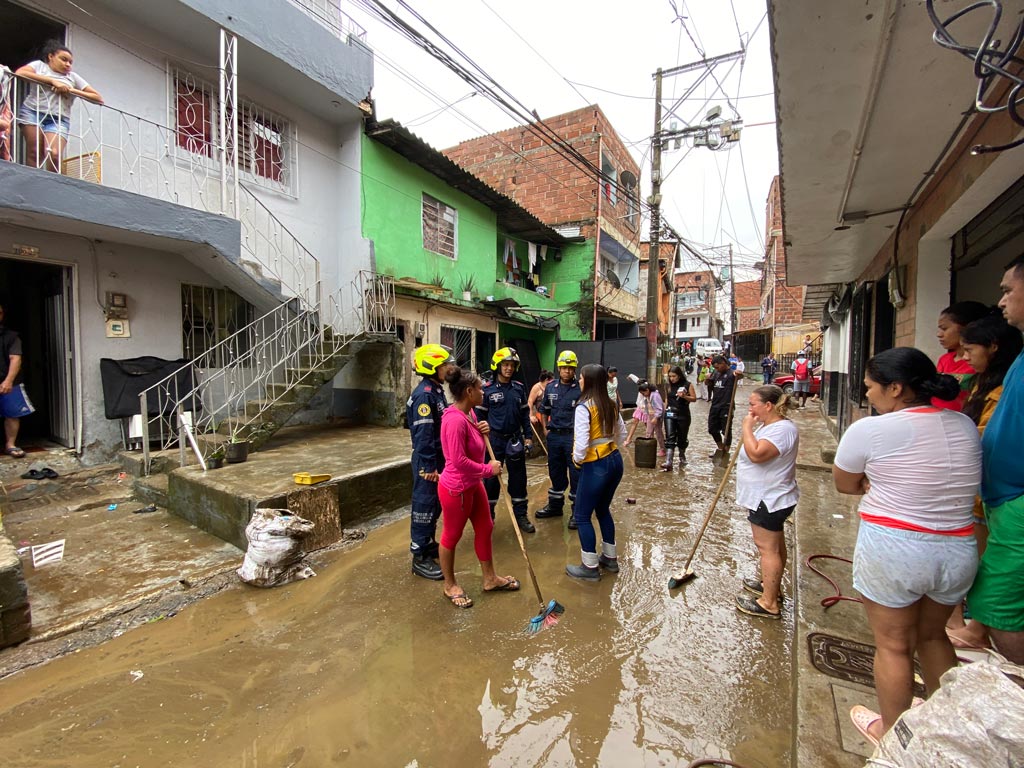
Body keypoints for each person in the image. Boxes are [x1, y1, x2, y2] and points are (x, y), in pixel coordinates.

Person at [833, 347, 981, 745]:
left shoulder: (870, 430)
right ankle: (946, 727)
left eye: (870, 387)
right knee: (934, 637)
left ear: (896, 388)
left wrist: (874, 481)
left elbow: (845, 483)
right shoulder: (963, 425)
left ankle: (892, 733)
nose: (867, 395)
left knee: (894, 646)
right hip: (956, 549)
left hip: (895, 549)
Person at [946, 309, 1023, 649]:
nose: (963, 358)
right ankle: (970, 623)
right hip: (987, 490)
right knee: (978, 561)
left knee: (987, 568)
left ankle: (977, 628)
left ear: (992, 347)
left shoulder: (1006, 383)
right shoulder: (984, 382)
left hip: (1002, 495)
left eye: (969, 350)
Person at [965, 254, 1024, 665]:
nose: (1001, 302)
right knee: (993, 599)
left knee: (999, 604)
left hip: (1017, 502)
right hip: (1001, 499)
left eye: (1007, 290)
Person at [437, 366, 519, 608]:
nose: (484, 392)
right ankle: (449, 584)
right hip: (457, 489)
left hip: (474, 485)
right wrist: (488, 470)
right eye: (480, 389)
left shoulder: (470, 415)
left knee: (485, 526)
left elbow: (473, 443)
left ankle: (490, 578)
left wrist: (482, 428)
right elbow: (458, 461)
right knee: (451, 536)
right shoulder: (454, 421)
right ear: (469, 391)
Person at [734, 385, 799, 619]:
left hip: (769, 498)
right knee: (774, 546)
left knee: (767, 549)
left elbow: (757, 454)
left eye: (753, 404)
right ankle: (771, 586)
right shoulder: (771, 426)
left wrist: (746, 428)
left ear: (768, 405)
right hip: (767, 496)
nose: (749, 409)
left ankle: (769, 603)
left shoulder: (782, 430)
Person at [566, 364, 627, 580]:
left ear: (589, 381)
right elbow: (622, 434)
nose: (579, 381)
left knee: (582, 515)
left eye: (581, 378)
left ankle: (589, 566)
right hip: (615, 461)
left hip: (596, 465)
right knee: (602, 509)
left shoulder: (584, 407)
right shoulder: (611, 404)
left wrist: (576, 460)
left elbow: (581, 445)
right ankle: (610, 559)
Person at [405, 344, 458, 580]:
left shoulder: (435, 390)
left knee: (435, 505)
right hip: (428, 459)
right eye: (445, 365)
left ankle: (428, 544)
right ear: (433, 367)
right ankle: (419, 557)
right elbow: (423, 434)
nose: (449, 368)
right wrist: (428, 467)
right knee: (424, 506)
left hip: (438, 458)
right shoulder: (425, 394)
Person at [16, 41, 103, 172]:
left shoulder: (72, 77)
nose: (68, 64)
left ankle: (53, 185)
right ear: (50, 57)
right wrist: (52, 81)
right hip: (33, 112)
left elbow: (98, 98)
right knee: (34, 152)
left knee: (54, 154)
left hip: (59, 119)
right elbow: (20, 73)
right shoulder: (39, 66)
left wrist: (71, 90)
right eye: (64, 59)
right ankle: (32, 183)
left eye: (70, 62)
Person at [476, 347, 534, 533]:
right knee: (491, 481)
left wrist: (528, 438)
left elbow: (525, 416)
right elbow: (479, 418)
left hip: (515, 440)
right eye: (505, 365)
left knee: (518, 479)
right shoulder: (486, 390)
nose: (509, 368)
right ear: (498, 366)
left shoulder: (519, 388)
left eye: (512, 365)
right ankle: (488, 516)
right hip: (494, 442)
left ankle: (521, 516)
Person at [536, 351, 581, 528]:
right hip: (554, 436)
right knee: (555, 472)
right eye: (564, 368)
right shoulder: (550, 387)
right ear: (559, 368)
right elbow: (544, 410)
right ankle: (555, 506)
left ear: (574, 369)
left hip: (572, 437)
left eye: (570, 368)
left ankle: (577, 512)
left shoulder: (581, 388)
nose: (567, 371)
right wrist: (546, 431)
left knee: (576, 473)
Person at [933, 300, 989, 411]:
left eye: (944, 329)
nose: (939, 334)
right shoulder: (944, 359)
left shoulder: (980, 361)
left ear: (966, 328)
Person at [1, 303, 34, 458]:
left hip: (9, 381)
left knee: (12, 414)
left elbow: (15, 358)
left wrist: (8, 380)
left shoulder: (11, 336)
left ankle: (10, 445)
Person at [660, 365, 696, 471]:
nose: (672, 379)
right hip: (670, 413)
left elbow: (694, 398)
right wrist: (664, 412)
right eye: (670, 376)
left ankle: (682, 456)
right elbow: (667, 399)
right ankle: (668, 461)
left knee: (682, 437)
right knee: (670, 436)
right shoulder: (667, 386)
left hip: (683, 414)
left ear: (679, 376)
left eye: (674, 376)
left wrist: (684, 396)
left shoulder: (687, 385)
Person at [707, 355, 738, 458]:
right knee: (712, 428)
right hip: (715, 404)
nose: (717, 369)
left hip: (726, 406)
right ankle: (720, 448)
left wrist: (739, 374)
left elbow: (740, 375)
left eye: (718, 367)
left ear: (723, 363)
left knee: (726, 430)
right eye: (715, 368)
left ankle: (726, 451)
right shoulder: (716, 373)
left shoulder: (731, 373)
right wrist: (707, 380)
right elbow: (710, 383)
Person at [638, 381, 665, 456]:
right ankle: (649, 448)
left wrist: (656, 417)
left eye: (643, 393)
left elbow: (659, 408)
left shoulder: (655, 395)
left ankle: (662, 449)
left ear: (647, 390)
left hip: (656, 416)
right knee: (649, 432)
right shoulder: (648, 396)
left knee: (658, 432)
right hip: (650, 415)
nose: (643, 395)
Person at [528, 370, 553, 442]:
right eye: (551, 380)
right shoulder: (537, 387)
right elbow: (530, 401)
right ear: (546, 380)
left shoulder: (551, 387)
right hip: (539, 413)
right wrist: (531, 415)